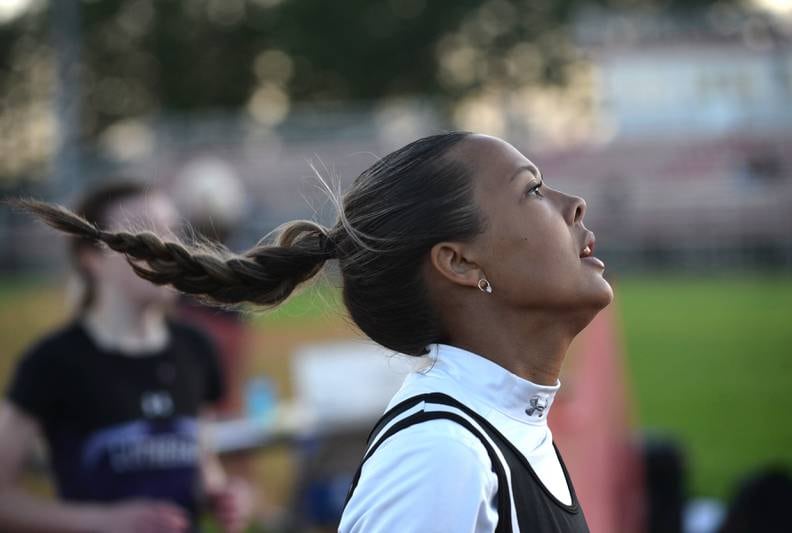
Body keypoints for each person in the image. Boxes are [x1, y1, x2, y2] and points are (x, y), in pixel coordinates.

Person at [14, 132, 613, 532]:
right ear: (459, 263)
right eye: (532, 190)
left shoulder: (503, 430)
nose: (574, 203)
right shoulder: (444, 457)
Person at [1, 182, 253, 533]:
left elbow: (198, 461)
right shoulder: (52, 362)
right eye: (143, 234)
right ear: (90, 257)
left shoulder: (196, 348)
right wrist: (103, 522)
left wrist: (219, 494)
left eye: (172, 231)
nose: (167, 247)